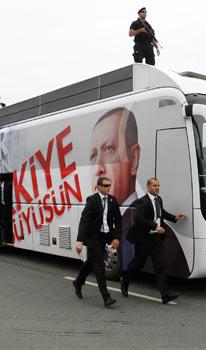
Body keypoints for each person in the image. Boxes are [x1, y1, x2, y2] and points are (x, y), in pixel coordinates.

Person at [121, 177, 185, 304]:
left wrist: (174, 218)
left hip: (156, 238)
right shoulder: (142, 202)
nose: (157, 187)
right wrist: (155, 226)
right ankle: (125, 279)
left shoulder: (159, 199)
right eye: (155, 185)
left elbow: (161, 213)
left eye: (158, 185)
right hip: (144, 238)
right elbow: (139, 219)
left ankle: (165, 295)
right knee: (137, 265)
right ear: (149, 187)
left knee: (160, 265)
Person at [73, 176, 122, 308]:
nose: (108, 188)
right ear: (99, 186)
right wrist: (79, 241)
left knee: (91, 262)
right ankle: (106, 297)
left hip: (105, 236)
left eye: (109, 185)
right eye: (106, 186)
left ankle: (78, 282)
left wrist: (116, 237)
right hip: (93, 236)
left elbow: (118, 220)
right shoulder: (92, 200)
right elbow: (84, 220)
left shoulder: (112, 200)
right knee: (99, 266)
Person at [89, 107, 140, 207]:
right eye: (93, 156)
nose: (97, 169)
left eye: (108, 149)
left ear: (134, 159)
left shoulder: (136, 218)